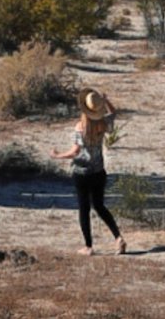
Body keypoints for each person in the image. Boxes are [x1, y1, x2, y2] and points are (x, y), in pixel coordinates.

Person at [50, 87, 126, 256]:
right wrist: (106, 101)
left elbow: (75, 152)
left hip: (82, 172)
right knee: (99, 206)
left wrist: (57, 155)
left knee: (84, 209)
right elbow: (114, 113)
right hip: (99, 171)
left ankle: (88, 246)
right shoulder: (103, 124)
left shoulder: (80, 127)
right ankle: (118, 237)